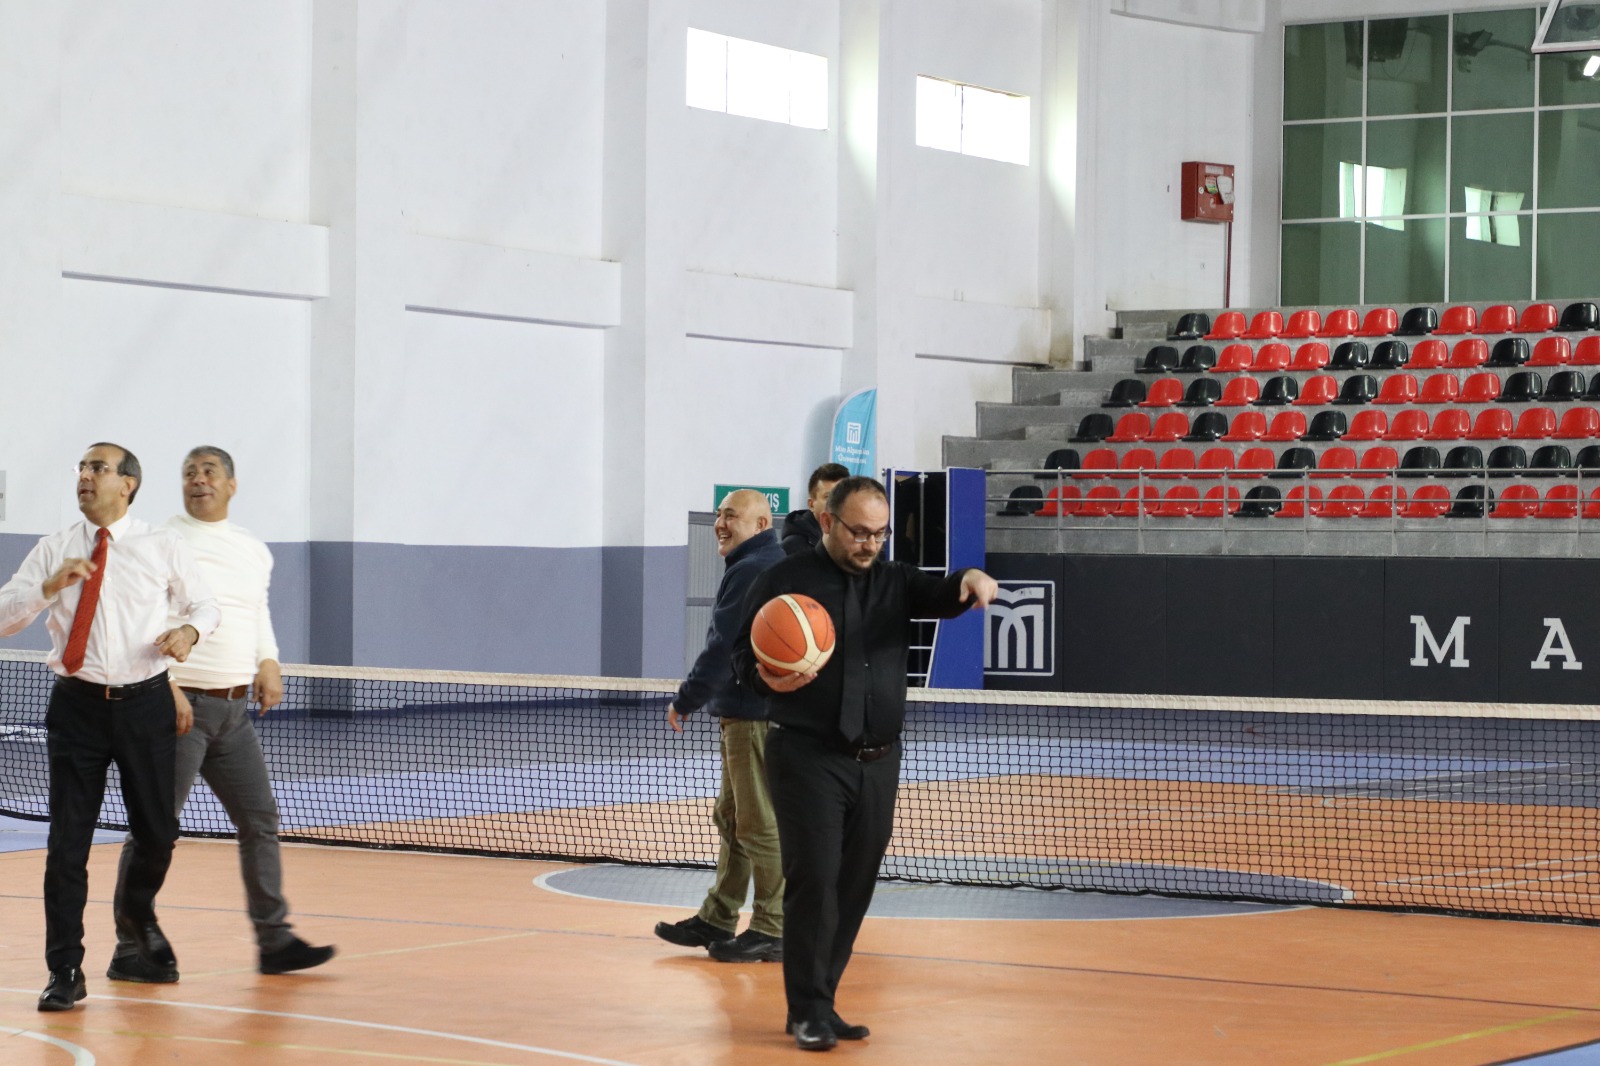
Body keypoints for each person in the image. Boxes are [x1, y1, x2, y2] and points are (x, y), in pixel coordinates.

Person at [733, 476, 997, 1052]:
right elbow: (742, 660)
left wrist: (971, 577)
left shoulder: (895, 581)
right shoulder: (783, 581)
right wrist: (771, 678)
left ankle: (821, 1002)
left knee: (854, 886)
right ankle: (807, 1010)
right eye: (859, 532)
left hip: (878, 760)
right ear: (828, 522)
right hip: (806, 756)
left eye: (880, 534)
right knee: (815, 880)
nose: (870, 544)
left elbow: (944, 593)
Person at [0, 443, 221, 1012]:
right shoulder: (54, 548)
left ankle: (136, 923)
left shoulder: (161, 544)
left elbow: (206, 606)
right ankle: (64, 970)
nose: (85, 476)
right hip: (76, 709)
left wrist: (189, 633)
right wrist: (48, 587)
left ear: (128, 484)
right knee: (66, 845)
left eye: (98, 468)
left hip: (146, 705)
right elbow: (3, 618)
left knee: (157, 833)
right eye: (81, 468)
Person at [111, 446, 335, 980]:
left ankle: (274, 941)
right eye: (189, 472)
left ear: (231, 484)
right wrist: (165, 685)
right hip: (178, 708)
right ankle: (130, 949)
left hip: (234, 714)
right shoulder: (162, 540)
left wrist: (269, 660)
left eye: (209, 471)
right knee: (154, 829)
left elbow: (255, 611)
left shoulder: (252, 549)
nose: (198, 479)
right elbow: (140, 618)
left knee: (260, 822)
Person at [655, 489, 787, 962]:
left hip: (752, 716)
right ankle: (718, 917)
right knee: (732, 818)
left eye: (732, 515)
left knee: (757, 823)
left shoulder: (752, 569)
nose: (720, 523)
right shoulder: (760, 563)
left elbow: (721, 646)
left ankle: (773, 927)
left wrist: (687, 698)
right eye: (718, 514)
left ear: (761, 524)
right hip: (745, 713)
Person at [780, 463, 850, 557]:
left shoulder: (860, 542)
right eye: (828, 497)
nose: (837, 502)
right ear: (811, 504)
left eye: (842, 495)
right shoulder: (793, 547)